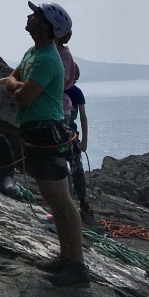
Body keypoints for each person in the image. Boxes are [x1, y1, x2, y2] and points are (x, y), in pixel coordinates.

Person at [0, 1, 90, 289]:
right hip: (37, 132)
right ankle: (66, 258)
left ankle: (77, 265)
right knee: (55, 201)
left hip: (47, 133)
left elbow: (23, 96)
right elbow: (15, 78)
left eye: (36, 15)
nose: (29, 16)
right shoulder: (34, 52)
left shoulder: (46, 58)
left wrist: (14, 85)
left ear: (46, 26)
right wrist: (15, 83)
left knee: (62, 202)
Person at [66, 76, 93, 221]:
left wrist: (84, 141)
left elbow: (83, 117)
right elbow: (82, 116)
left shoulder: (76, 92)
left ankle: (83, 202)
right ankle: (69, 204)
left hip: (71, 136)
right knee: (68, 170)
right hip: (58, 136)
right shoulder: (56, 89)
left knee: (76, 169)